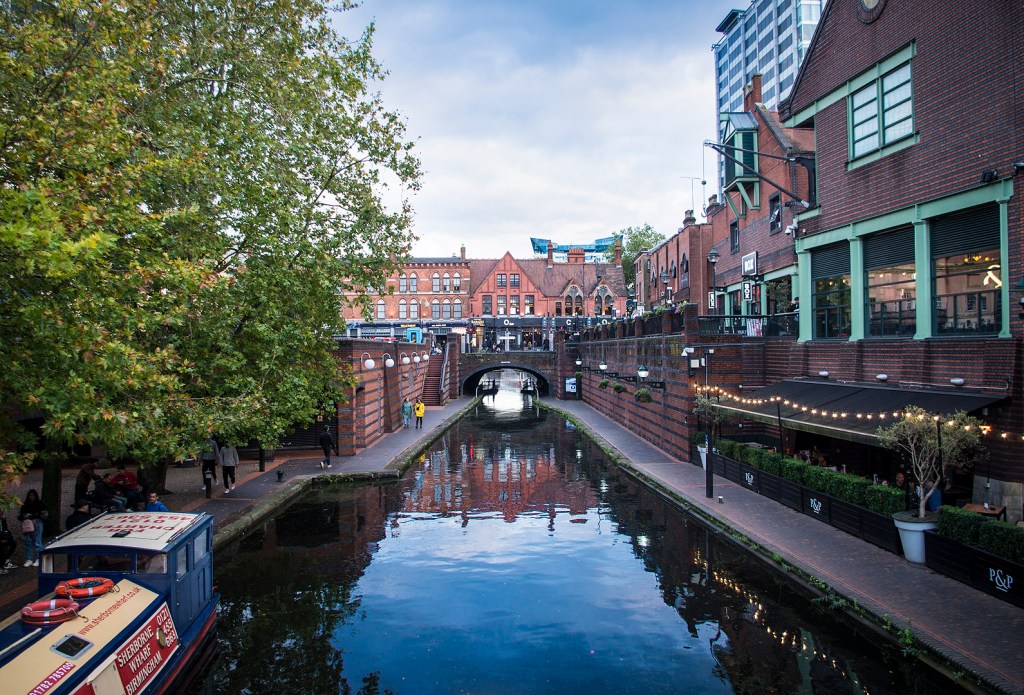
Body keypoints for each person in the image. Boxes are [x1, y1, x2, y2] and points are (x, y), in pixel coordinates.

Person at [18, 489, 47, 567]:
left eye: (33, 495)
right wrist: (24, 517)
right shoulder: (25, 505)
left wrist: (33, 516)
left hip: (37, 523)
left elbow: (44, 515)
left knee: (37, 541)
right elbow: (20, 515)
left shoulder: (40, 504)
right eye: (30, 495)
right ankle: (29, 559)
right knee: (28, 542)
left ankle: (38, 558)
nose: (31, 497)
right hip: (27, 524)